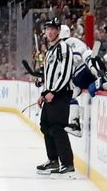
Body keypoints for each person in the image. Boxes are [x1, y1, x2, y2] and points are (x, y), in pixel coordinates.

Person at [36, 18, 75, 178]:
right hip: (50, 94)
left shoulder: (64, 47)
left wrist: (54, 92)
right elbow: (49, 75)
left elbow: (66, 72)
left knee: (57, 127)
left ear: (58, 30)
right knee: (45, 125)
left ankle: (67, 164)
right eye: (47, 29)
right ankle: (53, 160)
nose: (50, 32)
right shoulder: (51, 50)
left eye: (53, 29)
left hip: (60, 95)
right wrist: (44, 92)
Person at [59, 24, 95, 137]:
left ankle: (75, 123)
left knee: (69, 91)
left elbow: (76, 58)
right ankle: (75, 124)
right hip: (82, 75)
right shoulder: (64, 44)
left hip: (85, 70)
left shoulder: (70, 42)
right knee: (70, 96)